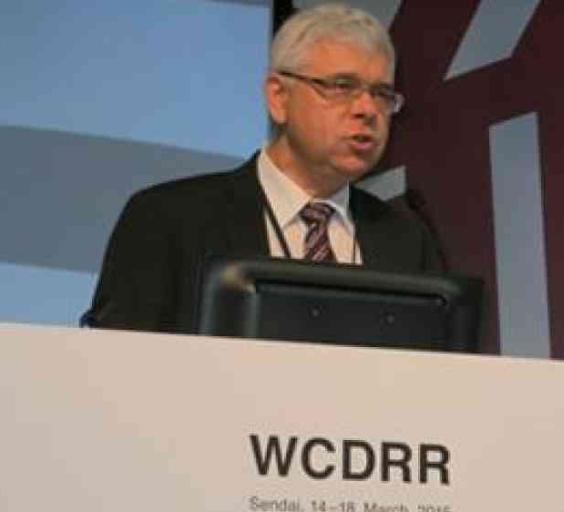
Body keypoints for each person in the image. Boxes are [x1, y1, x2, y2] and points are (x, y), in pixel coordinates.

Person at [85, 3, 443, 333]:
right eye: (342, 86)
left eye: (381, 93)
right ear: (278, 97)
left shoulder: (407, 241)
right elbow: (117, 369)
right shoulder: (168, 220)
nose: (367, 109)